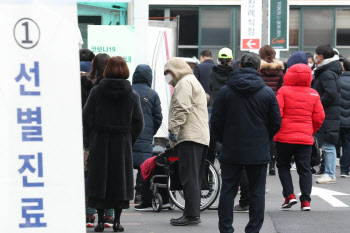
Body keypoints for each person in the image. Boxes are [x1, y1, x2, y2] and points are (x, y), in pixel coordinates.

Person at [211, 52, 281, 233]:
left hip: (231, 148)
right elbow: (276, 122)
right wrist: (264, 137)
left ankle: (226, 229)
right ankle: (253, 229)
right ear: (259, 69)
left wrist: (222, 139)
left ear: (240, 66)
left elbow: (216, 121)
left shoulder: (226, 91)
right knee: (257, 192)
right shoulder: (267, 92)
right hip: (258, 150)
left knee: (228, 191)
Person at [83, 56, 144, 232]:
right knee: (119, 182)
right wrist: (129, 139)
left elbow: (86, 118)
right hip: (122, 142)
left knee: (99, 181)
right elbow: (138, 123)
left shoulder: (96, 92)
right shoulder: (132, 94)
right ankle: (116, 221)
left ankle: (100, 221)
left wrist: (91, 139)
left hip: (100, 142)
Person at [274, 51, 325, 211]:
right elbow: (319, 117)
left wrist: (276, 130)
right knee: (304, 168)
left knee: (283, 166)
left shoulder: (283, 91)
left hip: (283, 137)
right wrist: (310, 130)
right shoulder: (313, 93)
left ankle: (289, 195)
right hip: (305, 138)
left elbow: (277, 114)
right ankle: (306, 201)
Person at [164, 57, 210, 226]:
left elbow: (181, 108)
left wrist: (173, 131)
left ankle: (191, 214)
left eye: (167, 74)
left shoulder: (184, 83)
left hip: (190, 136)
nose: (167, 78)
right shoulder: (192, 81)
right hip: (200, 136)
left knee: (189, 177)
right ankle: (192, 213)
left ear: (175, 71)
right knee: (194, 177)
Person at [131, 65, 163, 209]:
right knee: (144, 167)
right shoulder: (153, 94)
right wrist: (151, 132)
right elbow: (158, 117)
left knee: (125, 163)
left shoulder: (128, 90)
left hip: (128, 134)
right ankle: (139, 195)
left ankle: (124, 193)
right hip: (145, 135)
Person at [312, 45, 342, 184]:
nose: (315, 56)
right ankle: (328, 173)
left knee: (328, 144)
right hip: (329, 112)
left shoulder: (326, 73)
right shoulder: (328, 71)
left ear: (322, 56)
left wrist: (317, 103)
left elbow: (330, 93)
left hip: (327, 112)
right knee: (327, 143)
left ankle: (330, 174)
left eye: (316, 54)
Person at [259, 45, 284, 176]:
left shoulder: (259, 70)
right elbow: (281, 88)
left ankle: (261, 158)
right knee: (273, 135)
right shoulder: (279, 71)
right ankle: (272, 164)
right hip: (274, 103)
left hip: (260, 103)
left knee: (260, 131)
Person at [339, 60, 350, 178]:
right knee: (348, 144)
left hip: (338, 117)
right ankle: (345, 169)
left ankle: (326, 168)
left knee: (333, 145)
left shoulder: (338, 80)